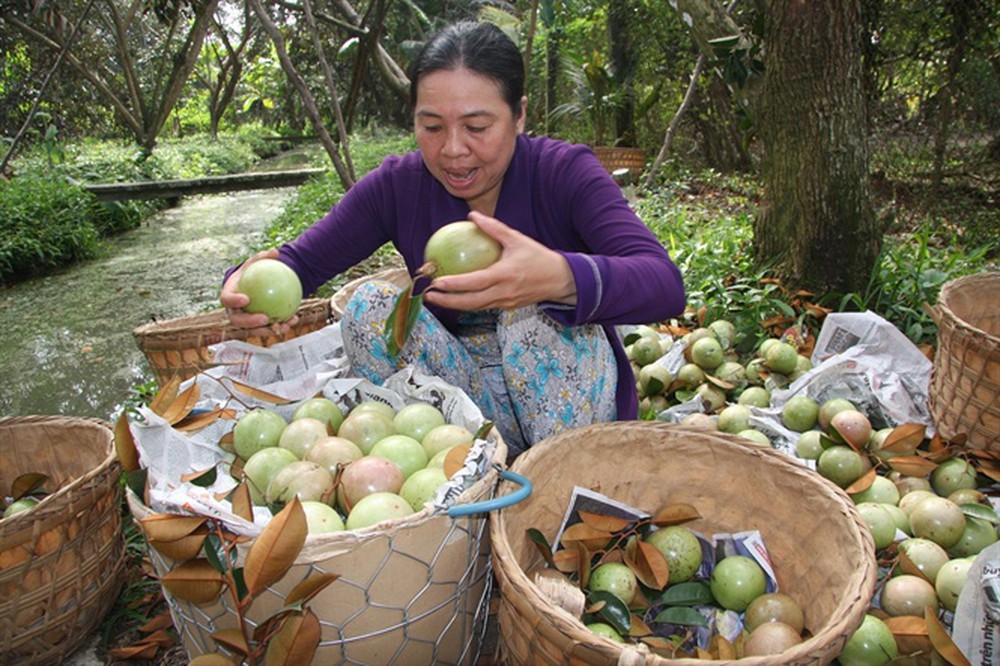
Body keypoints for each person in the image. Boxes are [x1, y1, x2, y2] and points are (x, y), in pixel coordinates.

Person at [221, 21, 685, 456]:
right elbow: (298, 265)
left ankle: (555, 476)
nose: (453, 149)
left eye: (477, 127)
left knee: (532, 313)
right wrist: (248, 287)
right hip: (469, 405)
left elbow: (665, 285)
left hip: (568, 412)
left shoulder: (564, 173)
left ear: (520, 115)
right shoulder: (398, 186)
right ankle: (478, 469)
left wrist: (560, 277)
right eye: (432, 127)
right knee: (369, 310)